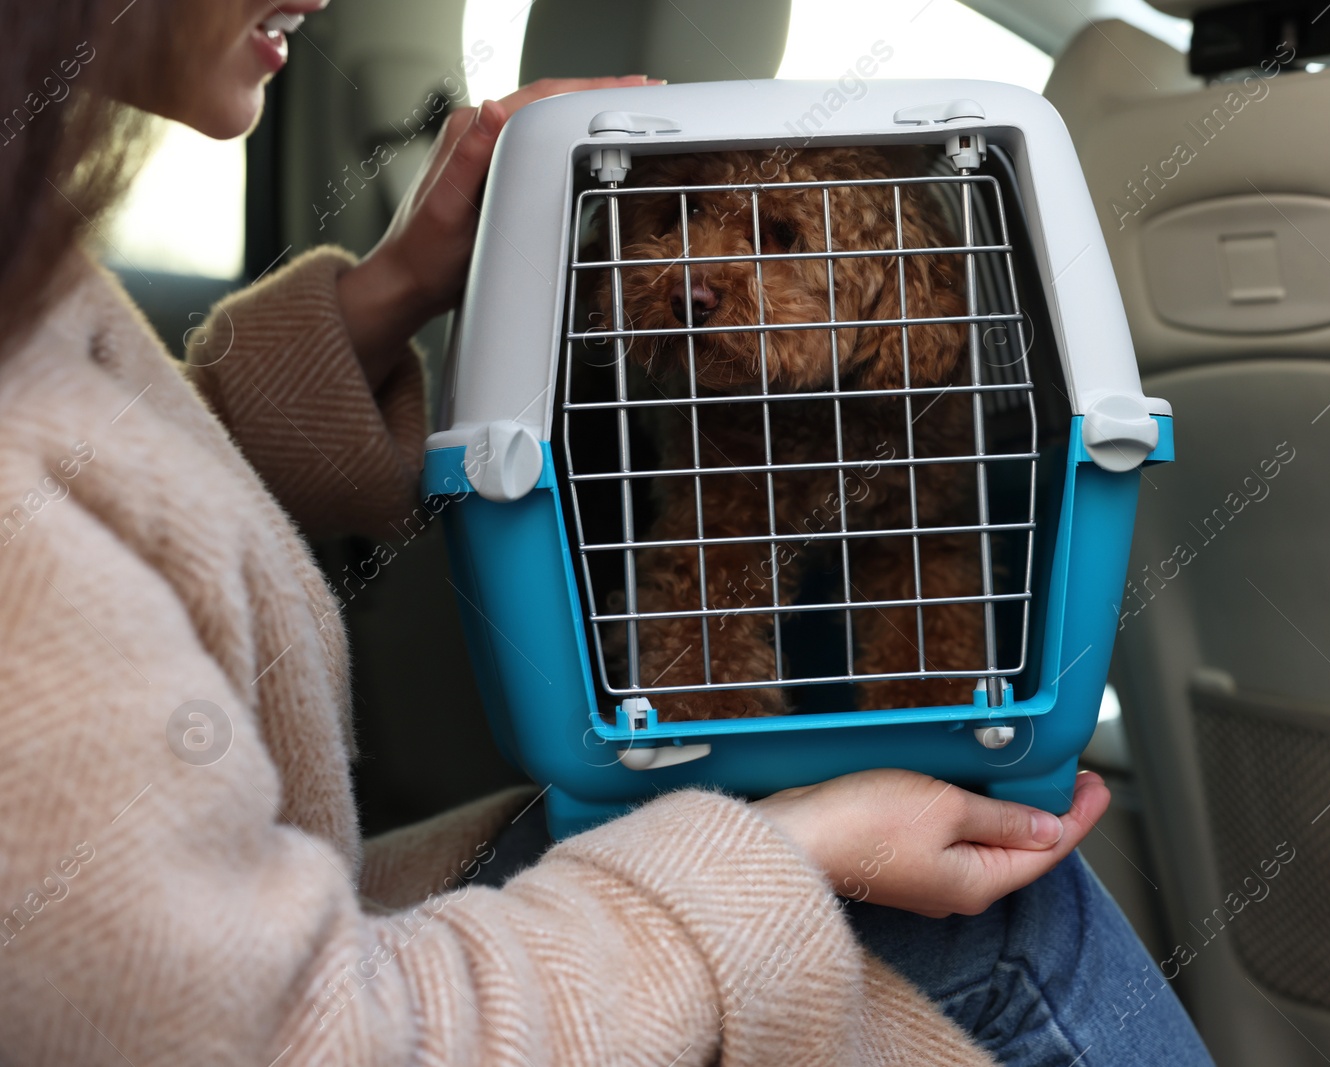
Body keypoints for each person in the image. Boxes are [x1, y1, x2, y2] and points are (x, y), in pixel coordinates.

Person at [0, 2, 1215, 1064]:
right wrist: (782, 850)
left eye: (776, 243)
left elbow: (147, 471)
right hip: (350, 993)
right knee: (1011, 914)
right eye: (679, 231)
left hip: (317, 920)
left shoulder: (38, 293)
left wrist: (404, 279)